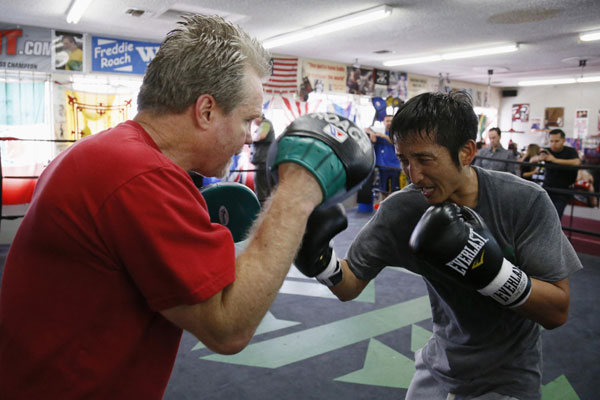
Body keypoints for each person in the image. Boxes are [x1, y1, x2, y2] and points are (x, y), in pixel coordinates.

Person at [0, 15, 373, 399]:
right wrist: (297, 193)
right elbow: (227, 327)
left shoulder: (106, 152)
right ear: (206, 111)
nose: (248, 138)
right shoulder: (140, 177)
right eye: (246, 120)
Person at [293, 91, 582, 399]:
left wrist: (492, 273)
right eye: (404, 159)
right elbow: (349, 285)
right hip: (439, 362)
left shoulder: (523, 201)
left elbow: (556, 313)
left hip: (507, 374)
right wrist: (321, 261)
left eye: (424, 159)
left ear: (467, 152)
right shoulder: (401, 210)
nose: (413, 175)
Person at [536, 129, 581, 218]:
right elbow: (532, 159)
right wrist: (539, 158)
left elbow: (577, 162)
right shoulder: (547, 151)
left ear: (563, 140)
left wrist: (554, 160)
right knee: (540, 215)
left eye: (557, 141)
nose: (553, 144)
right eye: (551, 141)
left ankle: (553, 232)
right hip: (547, 188)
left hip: (562, 190)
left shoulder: (570, 151)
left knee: (555, 216)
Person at [365, 114, 402, 201]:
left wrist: (384, 136)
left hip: (395, 166)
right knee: (383, 190)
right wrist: (371, 132)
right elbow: (369, 135)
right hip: (382, 166)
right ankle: (383, 209)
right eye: (387, 121)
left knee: (395, 191)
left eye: (391, 121)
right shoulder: (378, 131)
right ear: (383, 122)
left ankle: (395, 209)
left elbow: (395, 142)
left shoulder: (397, 133)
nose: (389, 123)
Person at [250, 114, 275, 206]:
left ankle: (262, 214)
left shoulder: (265, 123)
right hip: (264, 162)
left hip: (263, 163)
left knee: (261, 192)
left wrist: (250, 138)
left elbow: (261, 136)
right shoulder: (263, 124)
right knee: (266, 191)